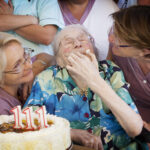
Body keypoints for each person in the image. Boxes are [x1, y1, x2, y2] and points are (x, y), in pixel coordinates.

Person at [24, 25, 148, 150]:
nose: (77, 44)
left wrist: (94, 79)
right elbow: (26, 122)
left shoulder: (110, 70)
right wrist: (69, 132)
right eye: (68, 42)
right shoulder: (46, 78)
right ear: (59, 59)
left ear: (93, 48)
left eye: (83, 39)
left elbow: (134, 127)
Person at [107, 5, 150, 147]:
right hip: (125, 117)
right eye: (113, 31)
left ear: (144, 52)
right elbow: (107, 74)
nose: (111, 38)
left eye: (119, 39)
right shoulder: (117, 51)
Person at [0, 32, 52, 115]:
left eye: (25, 54)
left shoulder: (18, 82)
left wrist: (36, 68)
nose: (29, 65)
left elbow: (46, 56)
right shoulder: (3, 110)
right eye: (16, 66)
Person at [0, 0, 64, 56]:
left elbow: (46, 37)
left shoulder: (47, 1)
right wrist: (30, 19)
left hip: (42, 63)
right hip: (10, 65)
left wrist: (10, 19)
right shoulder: (3, 3)